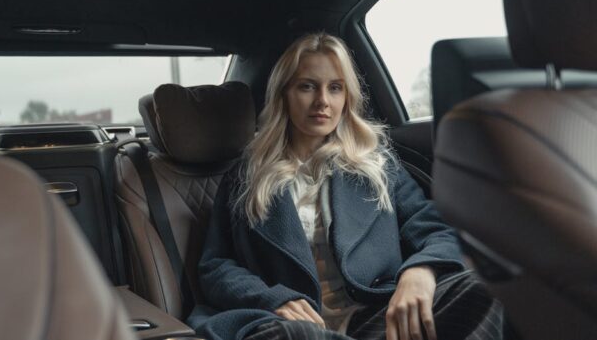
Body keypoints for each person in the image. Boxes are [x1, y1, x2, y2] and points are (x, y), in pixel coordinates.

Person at [186, 33, 504, 340]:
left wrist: (420, 272)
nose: (323, 101)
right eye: (307, 86)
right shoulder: (246, 175)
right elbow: (216, 267)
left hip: (372, 315)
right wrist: (272, 299)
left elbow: (437, 229)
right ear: (284, 93)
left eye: (335, 88)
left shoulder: (377, 165)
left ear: (346, 97)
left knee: (485, 288)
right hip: (290, 324)